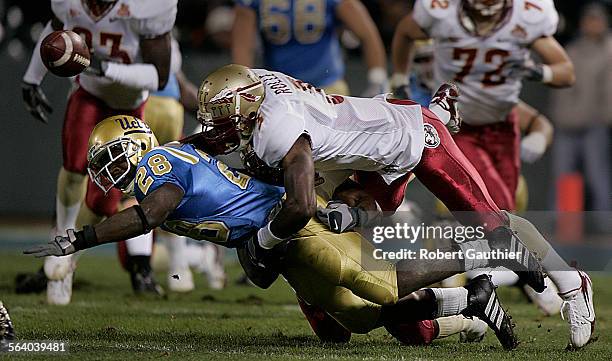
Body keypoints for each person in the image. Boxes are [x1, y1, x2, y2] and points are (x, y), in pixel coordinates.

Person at [24, 115, 517, 350]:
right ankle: (468, 303)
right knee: (357, 318)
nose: (107, 171)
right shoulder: (169, 155)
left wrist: (81, 240)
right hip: (269, 243)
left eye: (110, 158)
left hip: (288, 222)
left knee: (378, 282)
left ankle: (482, 252)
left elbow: (152, 214)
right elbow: (202, 153)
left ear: (133, 147)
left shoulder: (157, 165)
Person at [195, 64, 594, 349]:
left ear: (249, 107)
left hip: (410, 137)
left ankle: (573, 284)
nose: (217, 129)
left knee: (492, 225)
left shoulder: (278, 133)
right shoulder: (263, 97)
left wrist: (263, 243)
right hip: (364, 155)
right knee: (400, 327)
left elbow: (300, 205)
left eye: (223, 118)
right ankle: (470, 308)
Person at [21, 0, 177, 304]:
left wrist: (105, 67)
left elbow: (158, 77)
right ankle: (62, 236)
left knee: (114, 195)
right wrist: (31, 77)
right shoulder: (69, 3)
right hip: (88, 93)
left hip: (129, 105)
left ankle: (107, 260)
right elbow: (55, 31)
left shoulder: (146, 8)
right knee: (75, 165)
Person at [390, 0, 574, 212]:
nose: (427, 67)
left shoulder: (527, 17)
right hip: (459, 124)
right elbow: (405, 32)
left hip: (500, 126)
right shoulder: (440, 16)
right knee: (488, 207)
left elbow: (566, 73)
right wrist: (399, 79)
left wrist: (538, 72)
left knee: (505, 206)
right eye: (422, 60)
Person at [232, 0, 388, 96]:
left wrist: (377, 78)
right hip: (280, 89)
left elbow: (366, 34)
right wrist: (244, 86)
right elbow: (243, 45)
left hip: (326, 86)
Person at [549, 3, 611, 218]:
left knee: (598, 176)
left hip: (594, 123)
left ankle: (604, 223)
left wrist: (606, 118)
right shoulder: (573, 49)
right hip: (567, 123)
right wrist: (558, 116)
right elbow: (561, 88)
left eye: (597, 20)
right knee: (562, 177)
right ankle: (557, 224)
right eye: (589, 20)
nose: (592, 24)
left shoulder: (609, 49)